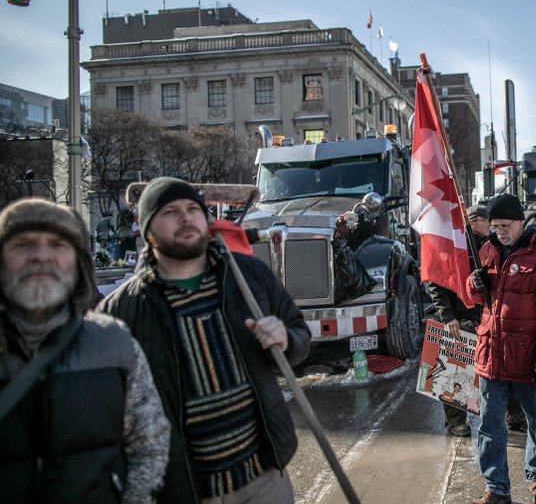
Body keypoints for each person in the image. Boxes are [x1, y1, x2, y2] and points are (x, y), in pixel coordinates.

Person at [99, 177, 311, 504]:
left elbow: (299, 332)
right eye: (169, 212)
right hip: (186, 491)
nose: (185, 218)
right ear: (147, 229)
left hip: (264, 478)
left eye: (192, 210)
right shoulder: (121, 311)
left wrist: (286, 338)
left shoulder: (250, 276)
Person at [0, 198, 169, 504]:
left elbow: (150, 444)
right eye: (23, 244)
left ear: (78, 262)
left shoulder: (114, 342)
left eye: (58, 245)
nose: (41, 256)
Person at [466, 194, 536, 504]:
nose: (500, 231)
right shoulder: (487, 250)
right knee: (488, 423)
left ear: (521, 221)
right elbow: (476, 301)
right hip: (491, 354)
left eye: (506, 225)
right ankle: (496, 487)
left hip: (529, 357)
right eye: (495, 226)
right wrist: (474, 284)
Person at [430, 204, 525, 437]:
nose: (492, 227)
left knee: (502, 368)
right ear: (473, 221)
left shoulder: (493, 245)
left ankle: (515, 415)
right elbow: (437, 285)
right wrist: (448, 316)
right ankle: (455, 421)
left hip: (489, 316)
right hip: (460, 318)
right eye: (487, 222)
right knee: (455, 371)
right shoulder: (454, 247)